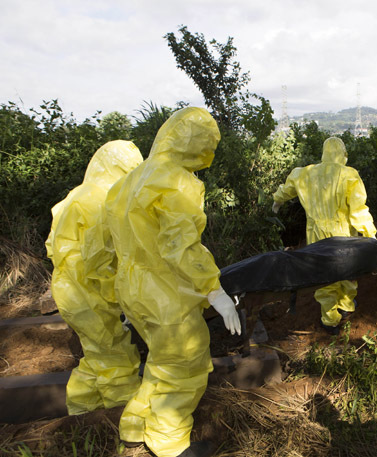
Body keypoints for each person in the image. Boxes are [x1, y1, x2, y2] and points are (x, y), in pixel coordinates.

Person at [105, 107, 241, 457]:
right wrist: (215, 290)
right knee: (185, 362)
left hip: (132, 288)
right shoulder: (175, 180)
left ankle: (134, 425)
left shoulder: (129, 180)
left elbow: (113, 241)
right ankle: (169, 444)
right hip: (164, 293)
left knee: (159, 359)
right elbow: (180, 245)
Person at [46, 140, 143, 416]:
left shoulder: (77, 195)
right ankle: (127, 424)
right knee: (117, 358)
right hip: (90, 296)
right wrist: (122, 300)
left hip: (69, 290)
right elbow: (100, 263)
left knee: (96, 354)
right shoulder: (100, 202)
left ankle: (80, 410)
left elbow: (53, 245)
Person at [272, 136, 377, 334]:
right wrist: (370, 235)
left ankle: (330, 321)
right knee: (349, 270)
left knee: (323, 275)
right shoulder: (349, 175)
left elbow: (286, 190)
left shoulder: (305, 173)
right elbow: (358, 210)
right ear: (343, 155)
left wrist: (277, 201)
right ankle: (346, 307)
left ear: (323, 153)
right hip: (345, 233)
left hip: (317, 234)